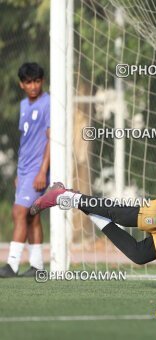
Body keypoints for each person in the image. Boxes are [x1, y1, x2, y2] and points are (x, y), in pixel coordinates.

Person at [0, 63, 50, 278]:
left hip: (38, 170)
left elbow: (51, 140)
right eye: (28, 82)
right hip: (25, 170)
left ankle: (11, 265)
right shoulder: (23, 105)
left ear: (43, 81)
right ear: (21, 84)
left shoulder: (48, 103)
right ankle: (38, 266)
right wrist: (20, 172)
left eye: (37, 81)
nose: (33, 86)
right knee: (31, 216)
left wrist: (42, 172)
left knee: (18, 212)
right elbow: (26, 140)